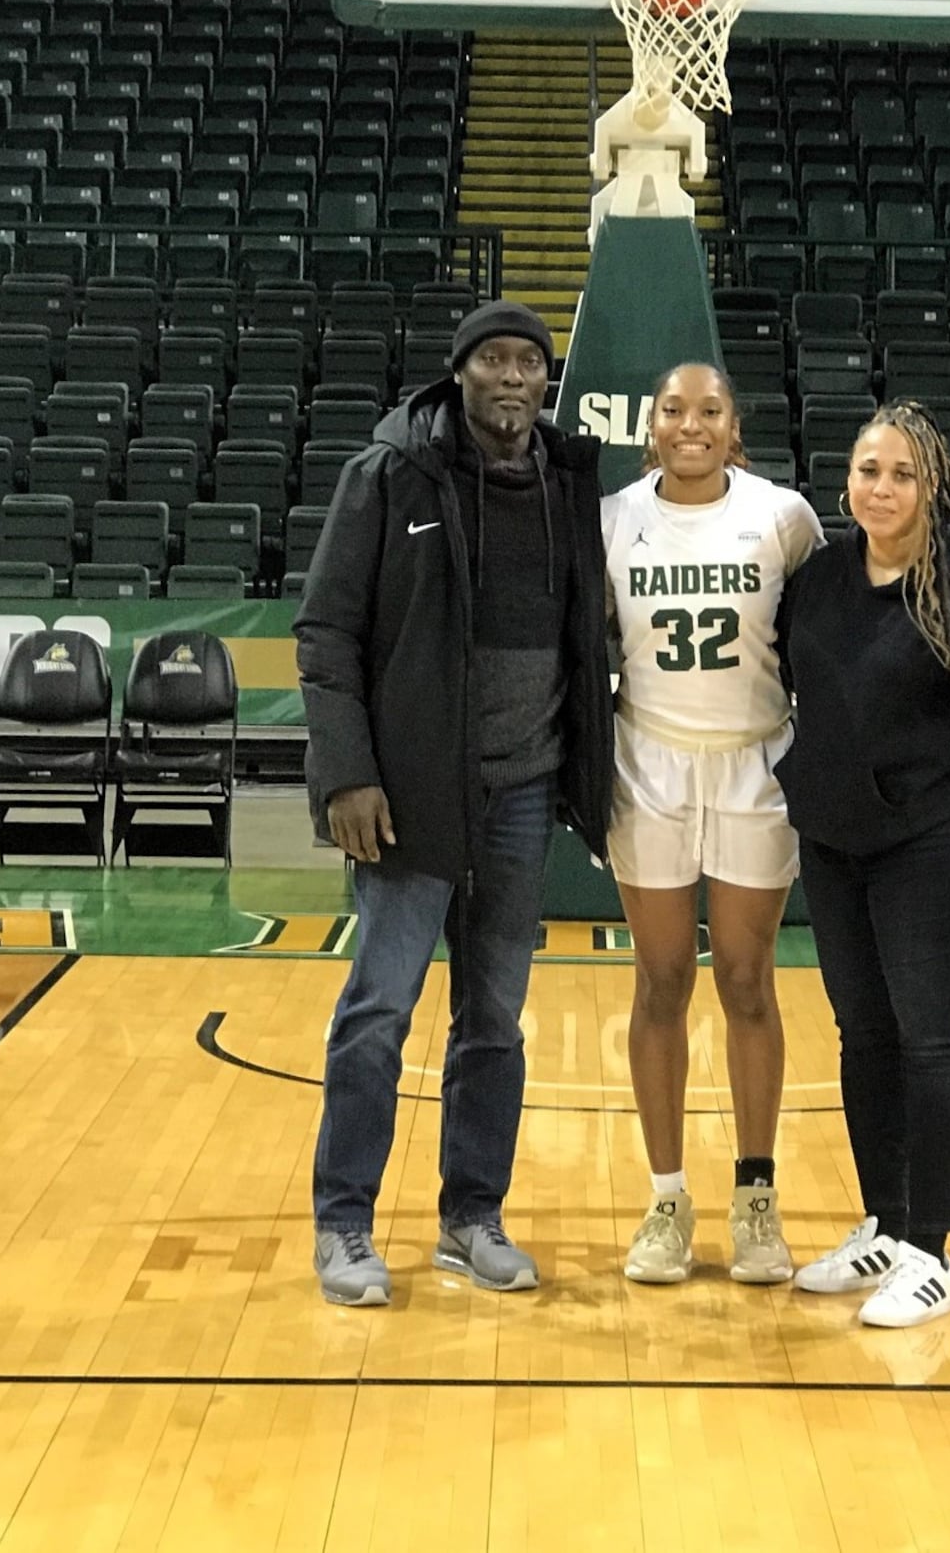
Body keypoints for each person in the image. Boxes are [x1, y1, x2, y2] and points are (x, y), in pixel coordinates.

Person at [297, 299, 613, 1307]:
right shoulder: (390, 473)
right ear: (460, 375)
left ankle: (469, 1216)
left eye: (529, 361)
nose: (512, 377)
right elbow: (326, 633)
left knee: (496, 1022)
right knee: (377, 1013)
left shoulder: (569, 481)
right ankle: (344, 1223)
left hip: (522, 791)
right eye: (493, 361)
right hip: (412, 796)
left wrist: (585, 782)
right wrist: (347, 773)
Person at [776, 399, 950, 1329]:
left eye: (900, 474)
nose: (880, 488)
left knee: (934, 1042)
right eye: (866, 471)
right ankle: (888, 1228)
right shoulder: (818, 578)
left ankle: (932, 1251)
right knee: (866, 1039)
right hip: (836, 845)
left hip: (935, 847)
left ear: (932, 488)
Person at [602, 362, 824, 1286]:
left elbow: (829, 632)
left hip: (754, 761)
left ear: (735, 426)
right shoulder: (613, 519)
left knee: (744, 978)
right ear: (649, 426)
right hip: (648, 759)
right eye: (672, 411)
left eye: (709, 411)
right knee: (659, 980)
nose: (690, 425)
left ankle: (756, 1198)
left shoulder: (784, 518)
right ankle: (665, 1199)